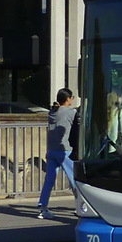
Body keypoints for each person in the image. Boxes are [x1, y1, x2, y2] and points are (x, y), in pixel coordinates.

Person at [38, 88, 76, 220]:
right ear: (68, 99)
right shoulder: (71, 113)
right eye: (72, 97)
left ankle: (43, 207)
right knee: (74, 179)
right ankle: (82, 206)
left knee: (49, 179)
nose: (73, 100)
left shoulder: (51, 113)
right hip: (65, 149)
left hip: (51, 150)